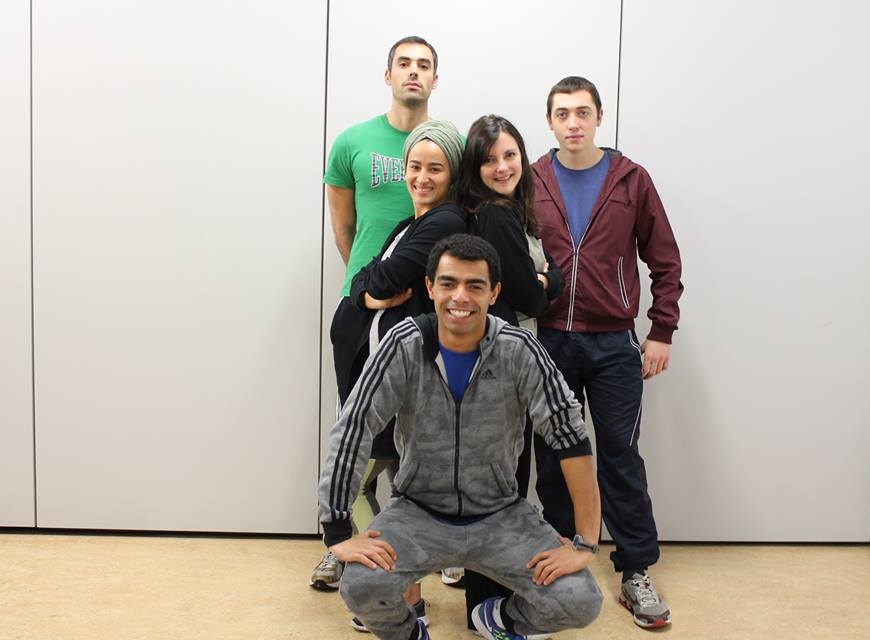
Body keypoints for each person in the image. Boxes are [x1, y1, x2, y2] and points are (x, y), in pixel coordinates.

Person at [319, 234, 603, 640]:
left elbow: (570, 436)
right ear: (430, 287)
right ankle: (410, 634)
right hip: (417, 512)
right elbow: (354, 427)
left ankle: (499, 619)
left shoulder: (519, 349)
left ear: (494, 293)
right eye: (449, 283)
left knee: (580, 600)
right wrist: (337, 531)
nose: (460, 297)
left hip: (501, 515)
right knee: (360, 586)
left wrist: (585, 542)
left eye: (475, 285)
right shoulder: (404, 345)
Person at [530, 76, 683, 629]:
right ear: (550, 122)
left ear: (599, 117)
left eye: (582, 112)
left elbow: (665, 259)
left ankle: (635, 569)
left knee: (620, 454)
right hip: (549, 340)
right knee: (554, 456)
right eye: (562, 113)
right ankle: (562, 556)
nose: (573, 123)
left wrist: (661, 330)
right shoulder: (532, 180)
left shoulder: (630, 180)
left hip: (614, 342)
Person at [312, 35, 440, 595]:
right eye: (404, 63)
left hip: (429, 312)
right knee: (360, 434)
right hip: (362, 308)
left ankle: (432, 547)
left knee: (425, 435)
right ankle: (343, 545)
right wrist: (367, 289)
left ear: (435, 79)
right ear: (387, 75)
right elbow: (344, 228)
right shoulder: (352, 142)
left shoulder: (448, 144)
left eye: (424, 65)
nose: (413, 72)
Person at [329, 120, 467, 632]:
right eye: (414, 166)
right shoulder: (411, 223)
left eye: (435, 168)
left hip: (396, 378)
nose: (422, 177)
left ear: (452, 175)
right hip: (375, 371)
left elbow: (381, 278)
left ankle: (404, 597)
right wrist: (364, 292)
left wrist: (366, 290)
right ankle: (402, 595)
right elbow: (365, 277)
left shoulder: (443, 221)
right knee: (379, 480)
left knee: (365, 482)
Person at [454, 114, 564, 630]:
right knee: (502, 484)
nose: (502, 167)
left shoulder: (511, 213)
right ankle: (486, 608)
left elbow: (546, 279)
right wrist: (546, 282)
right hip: (499, 364)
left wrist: (545, 280)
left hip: (508, 361)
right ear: (475, 168)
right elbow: (531, 296)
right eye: (489, 159)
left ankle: (490, 601)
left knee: (502, 480)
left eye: (510, 155)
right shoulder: (496, 216)